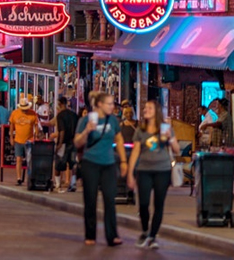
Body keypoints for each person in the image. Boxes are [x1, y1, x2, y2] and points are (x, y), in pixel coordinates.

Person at [75, 91, 128, 247]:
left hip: (108, 163)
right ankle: (90, 235)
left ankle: (112, 236)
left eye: (113, 104)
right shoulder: (86, 120)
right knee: (90, 199)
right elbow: (78, 142)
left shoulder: (113, 121)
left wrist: (123, 161)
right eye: (109, 104)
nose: (112, 107)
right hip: (90, 162)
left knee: (110, 199)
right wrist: (87, 131)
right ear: (99, 104)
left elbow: (118, 139)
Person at [127, 100, 180, 249]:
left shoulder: (165, 128)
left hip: (162, 171)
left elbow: (177, 150)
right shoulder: (141, 130)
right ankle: (145, 230)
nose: (145, 110)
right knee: (143, 203)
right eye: (145, 108)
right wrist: (130, 173)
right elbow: (135, 152)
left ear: (156, 111)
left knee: (159, 204)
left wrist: (170, 137)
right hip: (144, 170)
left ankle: (152, 236)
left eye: (149, 108)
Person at [9, 96, 40, 185]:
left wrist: (36, 135)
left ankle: (30, 178)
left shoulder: (32, 113)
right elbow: (11, 125)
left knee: (29, 160)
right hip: (18, 140)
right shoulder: (15, 113)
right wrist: (11, 137)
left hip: (29, 140)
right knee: (18, 159)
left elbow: (36, 125)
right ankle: (19, 178)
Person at [54, 96, 79, 193]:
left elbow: (62, 130)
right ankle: (72, 184)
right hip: (73, 142)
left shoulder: (60, 116)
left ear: (60, 104)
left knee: (58, 164)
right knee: (72, 164)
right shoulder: (74, 115)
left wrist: (59, 144)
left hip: (64, 143)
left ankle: (58, 184)